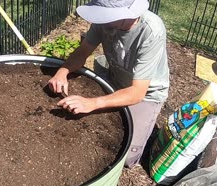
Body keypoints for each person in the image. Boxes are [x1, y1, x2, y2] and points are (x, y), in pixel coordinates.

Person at [48, 0, 169, 168]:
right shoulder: (104, 23)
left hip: (146, 93)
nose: (101, 20)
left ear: (126, 14)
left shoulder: (150, 31)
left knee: (124, 157)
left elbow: (137, 92)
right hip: (115, 78)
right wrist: (63, 71)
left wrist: (92, 102)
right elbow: (83, 52)